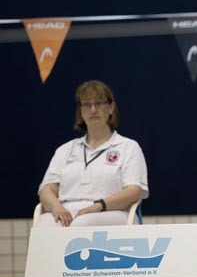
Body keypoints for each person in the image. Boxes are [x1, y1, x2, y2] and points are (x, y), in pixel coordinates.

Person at [36, 80, 149, 227]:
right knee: (45, 224)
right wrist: (56, 206)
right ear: (81, 111)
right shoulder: (65, 150)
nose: (93, 110)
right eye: (87, 104)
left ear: (111, 108)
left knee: (82, 224)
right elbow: (46, 189)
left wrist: (99, 205)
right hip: (66, 211)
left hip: (110, 211)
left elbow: (134, 191)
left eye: (99, 103)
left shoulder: (128, 147)